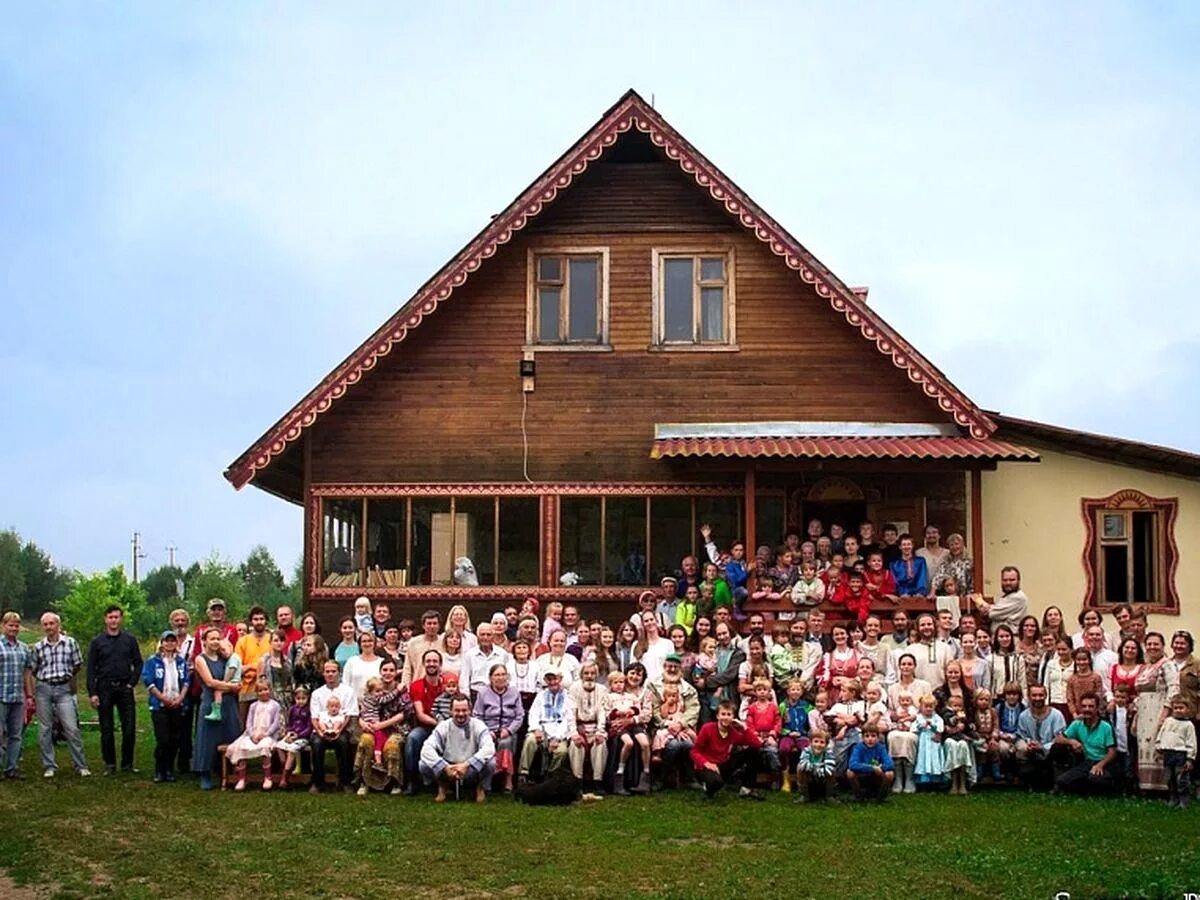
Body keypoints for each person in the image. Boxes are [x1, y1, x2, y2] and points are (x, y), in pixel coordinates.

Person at [86, 605, 143, 775]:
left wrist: (131, 683)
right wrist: (93, 693)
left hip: (124, 687)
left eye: (117, 617)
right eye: (110, 617)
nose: (114, 620)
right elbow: (90, 669)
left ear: (121, 619)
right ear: (105, 619)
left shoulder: (129, 640)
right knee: (107, 728)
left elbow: (138, 663)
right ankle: (109, 764)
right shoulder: (97, 642)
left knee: (129, 727)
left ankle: (127, 764)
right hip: (105, 688)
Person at [191, 627, 242, 790]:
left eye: (217, 639)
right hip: (209, 702)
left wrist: (233, 687)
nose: (215, 642)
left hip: (228, 704)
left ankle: (229, 772)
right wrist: (230, 687)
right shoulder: (200, 659)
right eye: (211, 639)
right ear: (204, 641)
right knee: (207, 738)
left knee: (230, 735)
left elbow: (236, 675)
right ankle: (205, 773)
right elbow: (210, 682)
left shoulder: (225, 658)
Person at [419, 695, 496, 803]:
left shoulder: (479, 725)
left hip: (471, 769)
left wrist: (466, 765)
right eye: (457, 710)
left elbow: (489, 748)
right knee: (423, 764)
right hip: (448, 769)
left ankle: (480, 788)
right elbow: (426, 749)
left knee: (491, 763)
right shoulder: (443, 726)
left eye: (464, 710)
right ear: (450, 711)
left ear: (470, 710)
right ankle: (443, 785)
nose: (461, 714)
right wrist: (445, 767)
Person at [354, 657, 411, 796]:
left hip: (395, 729)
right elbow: (362, 711)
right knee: (366, 741)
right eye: (385, 670)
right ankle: (364, 782)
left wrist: (382, 725)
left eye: (391, 670)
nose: (388, 673)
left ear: (395, 672)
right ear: (380, 671)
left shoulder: (401, 690)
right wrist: (363, 723)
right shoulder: (374, 689)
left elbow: (404, 714)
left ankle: (395, 782)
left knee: (391, 746)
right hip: (374, 728)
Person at [690, 699, 764, 800]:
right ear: (717, 716)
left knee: (753, 751)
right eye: (723, 714)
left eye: (729, 714)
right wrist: (706, 763)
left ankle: (747, 788)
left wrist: (744, 728)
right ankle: (707, 788)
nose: (726, 717)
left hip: (723, 765)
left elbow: (757, 744)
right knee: (716, 782)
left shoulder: (733, 732)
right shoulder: (707, 728)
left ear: (733, 717)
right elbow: (695, 751)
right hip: (705, 766)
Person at [141, 631, 189, 783]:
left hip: (177, 703)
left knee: (175, 738)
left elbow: (186, 681)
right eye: (166, 641)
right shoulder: (153, 661)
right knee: (163, 739)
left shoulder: (181, 661)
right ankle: (159, 769)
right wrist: (162, 698)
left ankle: (169, 769)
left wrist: (180, 698)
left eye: (172, 641)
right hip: (160, 705)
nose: (170, 644)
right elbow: (149, 682)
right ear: (161, 643)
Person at [309, 659, 359, 794]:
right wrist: (320, 732)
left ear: (339, 673)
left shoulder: (348, 691)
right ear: (323, 674)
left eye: (333, 671)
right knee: (317, 743)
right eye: (327, 672)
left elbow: (349, 715)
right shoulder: (317, 693)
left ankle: (345, 781)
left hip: (341, 729)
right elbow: (314, 717)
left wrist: (338, 731)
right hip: (321, 729)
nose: (330, 674)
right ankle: (318, 782)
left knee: (343, 742)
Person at [474, 663, 525, 792]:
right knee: (487, 743)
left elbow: (519, 716)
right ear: (491, 678)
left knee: (505, 742)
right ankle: (487, 780)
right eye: (497, 675)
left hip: (508, 730)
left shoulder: (514, 692)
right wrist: (487, 732)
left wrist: (509, 730)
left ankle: (507, 779)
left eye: (503, 675)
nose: (500, 678)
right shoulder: (483, 693)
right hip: (488, 729)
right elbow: (477, 715)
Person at [1054, 693, 1118, 795]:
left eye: (1091, 706)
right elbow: (1058, 739)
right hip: (1086, 762)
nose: (1087, 709)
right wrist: (1072, 741)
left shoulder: (1105, 726)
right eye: (1084, 706)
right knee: (1062, 781)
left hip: (1103, 763)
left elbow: (1112, 752)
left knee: (1095, 779)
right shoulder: (1078, 723)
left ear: (1097, 708)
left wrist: (1100, 765)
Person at [225, 681, 282, 791]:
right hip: (253, 734)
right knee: (242, 747)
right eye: (260, 691)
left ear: (270, 690)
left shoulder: (275, 705)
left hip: (267, 735)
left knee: (265, 748)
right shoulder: (253, 706)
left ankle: (267, 777)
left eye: (265, 689)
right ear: (256, 693)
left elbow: (276, 723)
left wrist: (266, 734)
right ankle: (242, 778)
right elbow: (249, 722)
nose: (263, 692)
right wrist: (252, 735)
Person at [519, 670, 575, 782]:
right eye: (549, 679)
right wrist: (536, 729)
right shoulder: (541, 695)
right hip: (542, 730)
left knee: (561, 751)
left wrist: (556, 738)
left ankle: (551, 776)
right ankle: (523, 774)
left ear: (560, 679)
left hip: (559, 733)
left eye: (555, 679)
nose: (552, 682)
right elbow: (533, 714)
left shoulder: (568, 697)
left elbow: (568, 720)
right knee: (530, 740)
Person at [404, 649, 445, 794]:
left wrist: (444, 726)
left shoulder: (448, 684)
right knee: (412, 739)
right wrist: (439, 724)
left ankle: (446, 782)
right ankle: (412, 781)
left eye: (435, 661)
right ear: (423, 664)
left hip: (446, 727)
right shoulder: (416, 686)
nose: (431, 664)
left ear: (440, 664)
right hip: (425, 727)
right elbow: (420, 715)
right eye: (428, 661)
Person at [1134, 632, 1172, 792]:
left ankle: (1161, 787)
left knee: (1157, 745)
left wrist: (1165, 713)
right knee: (1145, 746)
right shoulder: (1146, 667)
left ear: (1163, 646)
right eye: (1149, 644)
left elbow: (1174, 689)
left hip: (1158, 709)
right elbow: (1139, 693)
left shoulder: (1167, 665)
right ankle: (1146, 785)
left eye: (1156, 644)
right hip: (1144, 712)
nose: (1152, 647)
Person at [1015, 683, 1067, 790]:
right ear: (1029, 697)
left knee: (1059, 748)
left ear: (1045, 696)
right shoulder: (1024, 716)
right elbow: (1022, 735)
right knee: (1021, 749)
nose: (1037, 698)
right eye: (1034, 695)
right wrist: (1030, 744)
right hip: (1032, 753)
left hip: (1050, 754)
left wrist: (1043, 747)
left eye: (1040, 695)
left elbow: (1060, 738)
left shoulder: (1056, 715)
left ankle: (1056, 783)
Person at [0, 612, 32, 779]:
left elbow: (27, 673)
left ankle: (11, 768)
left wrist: (29, 695)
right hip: (1, 696)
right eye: (10, 625)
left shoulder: (24, 648)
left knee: (15, 734)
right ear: (3, 625)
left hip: (18, 698)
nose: (13, 628)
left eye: (16, 625)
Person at [567, 661, 608, 791]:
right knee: (576, 746)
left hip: (595, 727)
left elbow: (602, 712)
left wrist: (600, 731)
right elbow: (570, 712)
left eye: (592, 673)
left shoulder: (602, 690)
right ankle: (577, 783)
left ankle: (597, 782)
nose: (589, 676)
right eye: (586, 673)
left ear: (596, 675)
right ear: (581, 674)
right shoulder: (574, 688)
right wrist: (574, 733)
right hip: (579, 727)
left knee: (600, 745)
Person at [232, 606, 273, 725]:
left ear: (266, 621)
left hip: (267, 688)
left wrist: (250, 666)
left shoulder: (272, 639)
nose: (259, 622)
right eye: (256, 619)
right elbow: (238, 668)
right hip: (246, 689)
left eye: (261, 619)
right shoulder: (243, 641)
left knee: (265, 724)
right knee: (244, 725)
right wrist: (257, 666)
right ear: (251, 621)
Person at [1155, 695, 1197, 809]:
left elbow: (1191, 742)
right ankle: (1173, 799)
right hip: (1168, 754)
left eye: (1181, 708)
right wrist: (1159, 747)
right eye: (1175, 708)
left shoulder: (1188, 725)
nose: (1178, 710)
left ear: (1187, 709)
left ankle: (1184, 801)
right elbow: (1161, 734)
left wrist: (1190, 758)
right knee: (1170, 778)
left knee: (1181, 779)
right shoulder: (1168, 721)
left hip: (1181, 754)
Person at [462, 623, 513, 701]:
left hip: (497, 693)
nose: (485, 637)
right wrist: (466, 698)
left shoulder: (502, 654)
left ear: (493, 636)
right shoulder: (469, 655)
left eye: (488, 635)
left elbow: (509, 677)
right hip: (476, 693)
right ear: (477, 636)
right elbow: (464, 679)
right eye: (482, 634)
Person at [276, 685, 313, 790]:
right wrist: (289, 733)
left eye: (303, 699)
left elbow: (309, 728)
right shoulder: (292, 709)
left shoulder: (309, 711)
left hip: (303, 737)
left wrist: (298, 735)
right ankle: (287, 767)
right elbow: (290, 723)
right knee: (279, 747)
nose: (300, 701)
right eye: (298, 699)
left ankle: (284, 779)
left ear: (307, 698)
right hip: (292, 735)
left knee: (292, 750)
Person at [973, 566, 1028, 634]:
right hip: (998, 637)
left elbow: (991, 612)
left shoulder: (1018, 597)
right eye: (1005, 580)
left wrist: (979, 601)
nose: (1008, 583)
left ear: (1018, 581)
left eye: (1012, 580)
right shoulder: (1004, 596)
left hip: (1011, 638)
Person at [847, 724, 895, 801]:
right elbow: (852, 764)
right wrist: (872, 768)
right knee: (850, 773)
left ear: (878, 738)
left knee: (890, 774)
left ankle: (881, 797)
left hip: (877, 776)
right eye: (867, 736)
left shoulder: (881, 747)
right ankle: (858, 796)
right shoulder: (858, 747)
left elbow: (890, 764)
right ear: (862, 738)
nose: (870, 739)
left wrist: (880, 768)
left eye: (873, 736)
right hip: (862, 775)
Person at [402, 610, 444, 687]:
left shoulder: (444, 642)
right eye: (429, 623)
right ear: (423, 626)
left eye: (435, 623)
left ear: (439, 626)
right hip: (418, 686)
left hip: (440, 687)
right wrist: (406, 687)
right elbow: (407, 668)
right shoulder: (413, 643)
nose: (432, 626)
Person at [911, 694, 945, 788]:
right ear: (921, 707)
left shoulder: (937, 718)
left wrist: (933, 726)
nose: (929, 709)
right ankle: (923, 781)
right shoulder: (918, 717)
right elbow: (913, 728)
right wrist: (921, 726)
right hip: (923, 742)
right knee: (923, 759)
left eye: (931, 706)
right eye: (926, 706)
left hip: (933, 741)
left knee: (934, 759)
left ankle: (935, 780)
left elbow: (940, 728)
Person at [795, 730, 836, 803]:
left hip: (823, 778)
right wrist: (816, 769)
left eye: (822, 742)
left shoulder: (829, 753)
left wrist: (816, 770)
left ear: (826, 744)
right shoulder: (806, 751)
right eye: (816, 741)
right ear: (810, 743)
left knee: (833, 771)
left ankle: (829, 795)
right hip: (809, 777)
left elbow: (829, 768)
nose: (818, 745)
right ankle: (804, 795)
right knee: (799, 767)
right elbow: (804, 763)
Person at [889, 535, 928, 600]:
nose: (906, 547)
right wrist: (902, 593)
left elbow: (922, 578)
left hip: (918, 596)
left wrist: (920, 592)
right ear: (900, 547)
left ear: (912, 546)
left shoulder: (920, 561)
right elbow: (894, 581)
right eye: (904, 545)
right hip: (901, 596)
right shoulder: (894, 564)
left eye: (909, 544)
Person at [916, 525, 948, 594]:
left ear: (939, 535)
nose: (931, 535)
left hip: (944, 593)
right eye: (928, 533)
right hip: (924, 595)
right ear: (924, 536)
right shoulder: (918, 553)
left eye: (934, 532)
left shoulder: (947, 553)